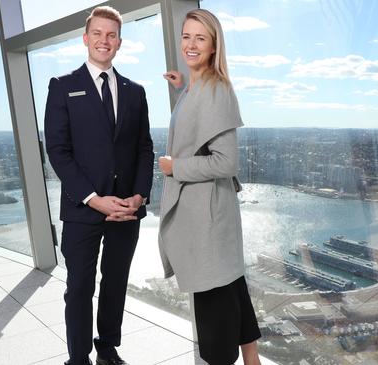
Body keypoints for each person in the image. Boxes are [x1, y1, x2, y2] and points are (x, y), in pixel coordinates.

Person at [44, 5, 153, 365]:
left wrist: (138, 196)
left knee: (115, 282)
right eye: (98, 33)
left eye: (111, 35)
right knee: (79, 288)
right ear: (85, 38)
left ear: (119, 42)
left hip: (125, 209)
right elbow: (58, 151)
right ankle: (78, 358)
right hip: (82, 208)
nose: (104, 40)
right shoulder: (63, 86)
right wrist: (93, 199)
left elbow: (143, 149)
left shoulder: (135, 91)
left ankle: (107, 347)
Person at [158, 8, 262, 365]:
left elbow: (225, 162)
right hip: (211, 215)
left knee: (214, 319)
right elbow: (201, 125)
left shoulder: (215, 90)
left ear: (214, 46)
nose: (190, 44)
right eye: (186, 36)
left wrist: (175, 167)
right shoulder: (198, 87)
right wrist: (182, 88)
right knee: (232, 289)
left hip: (206, 222)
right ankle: (253, 361)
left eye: (200, 38)